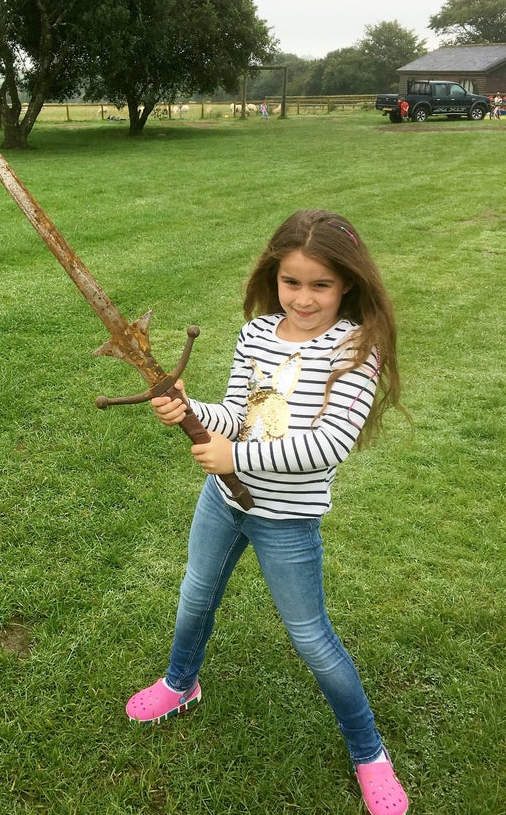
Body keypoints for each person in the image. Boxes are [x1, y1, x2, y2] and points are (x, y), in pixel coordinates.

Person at [126, 210, 409, 815]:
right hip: (224, 499)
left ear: (349, 285)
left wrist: (238, 452)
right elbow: (238, 410)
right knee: (196, 595)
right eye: (291, 282)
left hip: (287, 519)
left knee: (311, 638)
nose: (303, 298)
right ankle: (182, 683)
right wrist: (190, 409)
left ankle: (369, 753)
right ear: (273, 277)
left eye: (320, 285)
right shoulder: (257, 333)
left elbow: (330, 444)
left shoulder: (358, 347)